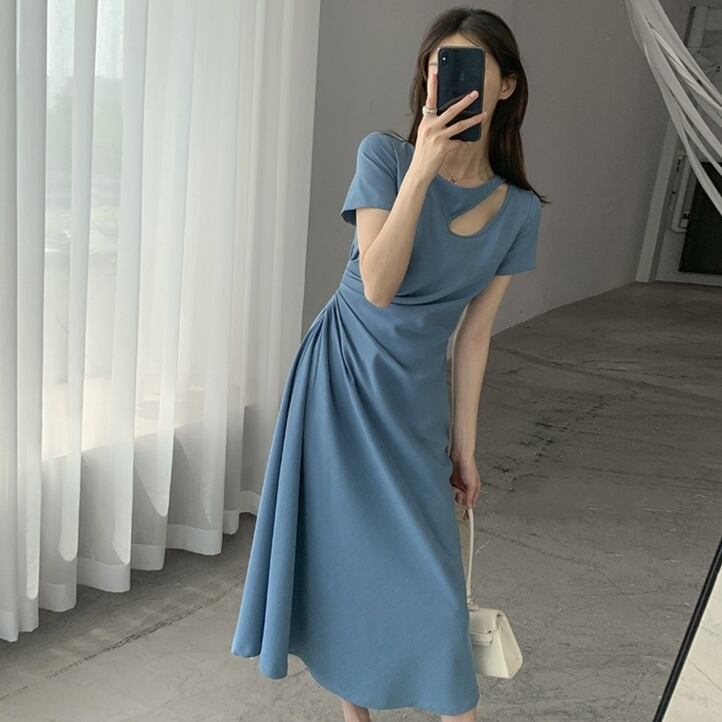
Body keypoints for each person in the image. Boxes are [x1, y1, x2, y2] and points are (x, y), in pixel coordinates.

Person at [230, 7, 546, 722]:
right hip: (340, 380)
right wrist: (422, 169)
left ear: (505, 85)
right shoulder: (385, 156)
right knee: (346, 560)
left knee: (433, 588)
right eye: (436, 66)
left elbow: (474, 337)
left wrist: (465, 448)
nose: (446, 79)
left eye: (467, 67)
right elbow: (377, 284)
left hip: (413, 401)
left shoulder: (520, 210)